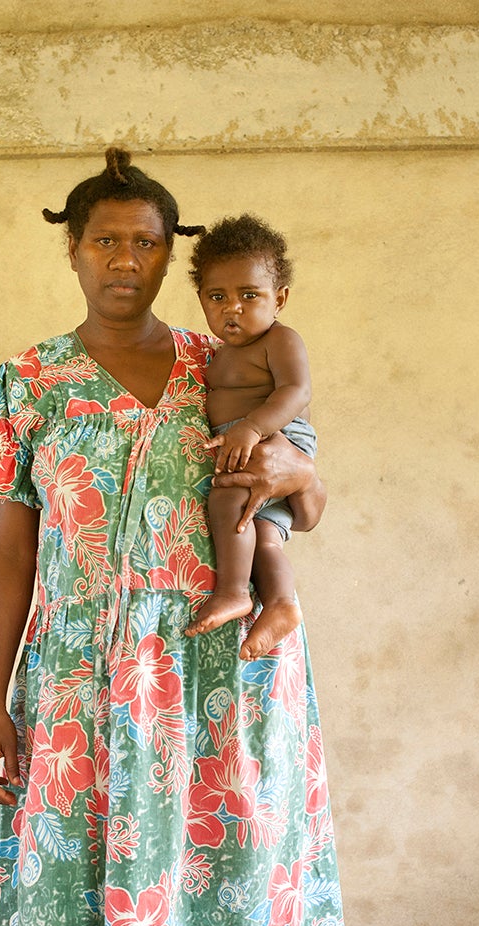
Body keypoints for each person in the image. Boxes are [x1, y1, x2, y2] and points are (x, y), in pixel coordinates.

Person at [0, 148, 344, 926]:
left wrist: (295, 464)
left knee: (235, 866)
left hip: (224, 667)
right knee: (110, 875)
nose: (126, 256)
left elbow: (304, 502)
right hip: (89, 681)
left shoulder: (223, 354)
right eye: (105, 239)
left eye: (146, 239)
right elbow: (10, 556)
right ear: (73, 250)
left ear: (173, 252)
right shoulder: (28, 382)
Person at [184, 214, 317, 660]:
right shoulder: (217, 354)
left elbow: (297, 390)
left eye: (249, 295)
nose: (232, 308)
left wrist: (254, 427)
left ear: (278, 299)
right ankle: (280, 603)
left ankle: (235, 592)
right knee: (264, 534)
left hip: (276, 438)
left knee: (227, 502)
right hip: (244, 440)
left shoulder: (279, 340)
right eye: (217, 296)